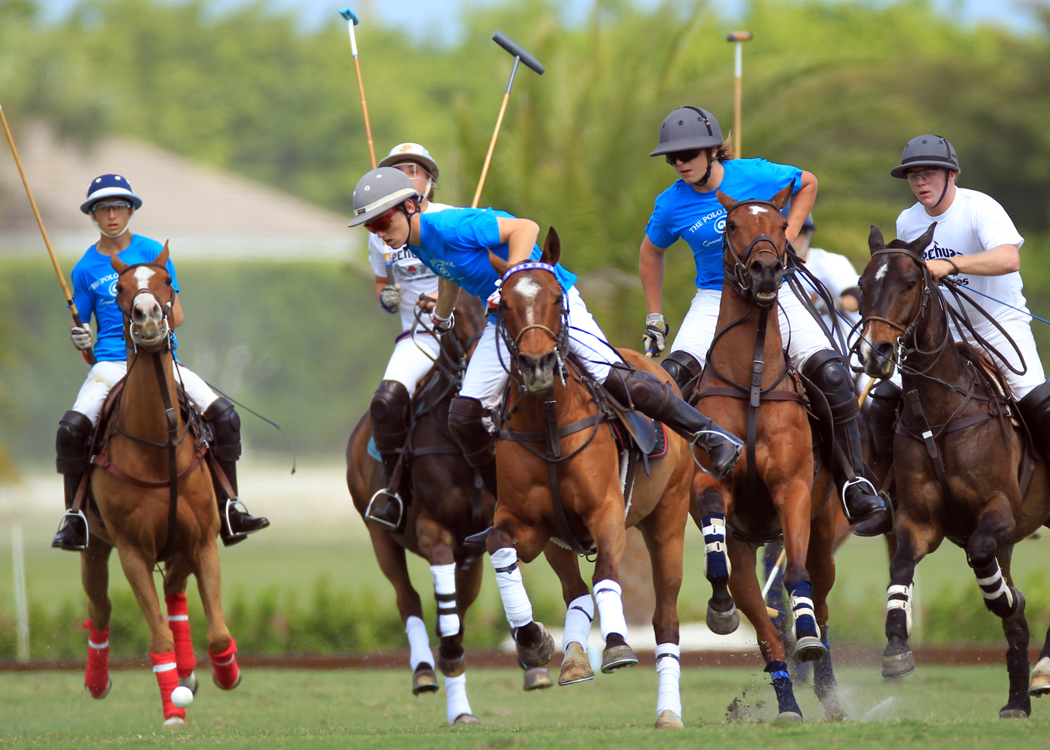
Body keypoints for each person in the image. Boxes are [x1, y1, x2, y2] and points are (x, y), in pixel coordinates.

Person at [346, 167, 744, 503]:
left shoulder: (450, 224)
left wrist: (513, 280)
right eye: (372, 226)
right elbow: (451, 275)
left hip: (551, 301)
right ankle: (508, 502)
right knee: (464, 415)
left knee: (615, 378)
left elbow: (526, 226)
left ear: (412, 206)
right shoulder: (419, 245)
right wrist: (445, 317)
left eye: (384, 221)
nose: (380, 232)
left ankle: (713, 436)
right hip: (506, 319)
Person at [637, 106, 888, 528]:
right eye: (673, 158)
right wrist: (655, 315)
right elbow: (650, 251)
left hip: (777, 290)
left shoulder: (754, 173)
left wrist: (785, 238)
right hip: (714, 296)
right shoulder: (670, 204)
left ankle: (854, 482)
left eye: (689, 154)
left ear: (713, 150)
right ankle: (661, 487)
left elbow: (807, 181)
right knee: (671, 382)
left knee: (831, 374)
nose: (681, 164)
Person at [51, 174, 269, 550]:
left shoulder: (154, 252)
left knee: (225, 416)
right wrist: (81, 337)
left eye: (119, 206)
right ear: (93, 215)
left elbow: (178, 315)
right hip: (111, 364)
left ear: (131, 210)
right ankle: (75, 517)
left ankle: (230, 506)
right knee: (71, 429)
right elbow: (83, 329)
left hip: (162, 361)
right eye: (103, 208)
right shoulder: (85, 268)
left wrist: (155, 322)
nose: (112, 214)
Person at [864, 135, 1050, 534]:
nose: (920, 183)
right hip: (941, 337)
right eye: (913, 176)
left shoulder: (979, 208)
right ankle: (888, 497)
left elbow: (1008, 257)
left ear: (952, 175)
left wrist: (950, 264)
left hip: (996, 325)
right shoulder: (908, 220)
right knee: (882, 401)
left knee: (1038, 401)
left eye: (928, 174)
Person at [363, 144, 453, 529]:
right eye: (398, 170)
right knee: (386, 400)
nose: (407, 176)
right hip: (419, 339)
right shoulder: (380, 231)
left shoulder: (450, 219)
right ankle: (394, 490)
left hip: (466, 332)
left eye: (414, 170)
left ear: (429, 182)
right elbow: (383, 281)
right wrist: (386, 296)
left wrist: (443, 297)